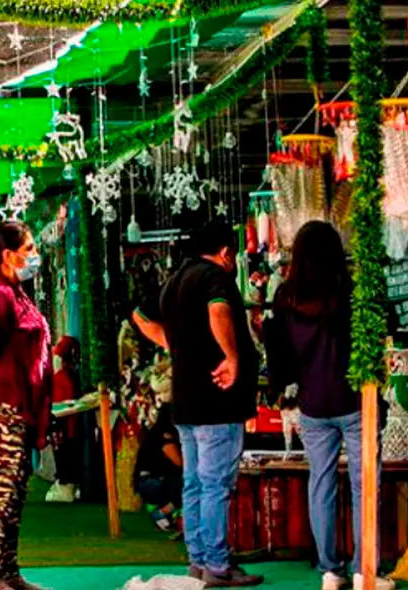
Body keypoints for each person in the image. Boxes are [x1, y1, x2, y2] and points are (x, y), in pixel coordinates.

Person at [264, 221, 394, 590]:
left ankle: (329, 570)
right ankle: (365, 569)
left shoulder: (285, 297)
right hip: (354, 400)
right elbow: (382, 330)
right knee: (365, 485)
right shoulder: (349, 292)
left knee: (320, 484)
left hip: (312, 404)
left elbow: (280, 353)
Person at [133, 221, 262, 588]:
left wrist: (173, 345)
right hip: (217, 401)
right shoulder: (215, 277)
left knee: (194, 483)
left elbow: (140, 316)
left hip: (186, 401)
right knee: (216, 484)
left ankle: (199, 561)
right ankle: (217, 565)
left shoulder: (175, 281)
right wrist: (231, 357)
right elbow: (218, 311)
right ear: (225, 252)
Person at [0, 220, 53, 590]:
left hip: (19, 406)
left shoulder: (17, 293)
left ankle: (9, 573)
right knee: (1, 494)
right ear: (7, 255)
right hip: (1, 406)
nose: (35, 255)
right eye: (29, 248)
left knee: (15, 492)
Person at [133, 403, 183, 531]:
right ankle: (162, 512)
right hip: (153, 482)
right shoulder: (165, 435)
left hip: (146, 481)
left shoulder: (155, 432)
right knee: (190, 482)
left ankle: (168, 514)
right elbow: (179, 462)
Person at [45, 336, 81, 503]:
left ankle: (66, 486)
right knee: (65, 455)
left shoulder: (63, 377)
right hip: (65, 424)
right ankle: (66, 484)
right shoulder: (66, 376)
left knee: (64, 455)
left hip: (63, 425)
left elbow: (61, 405)